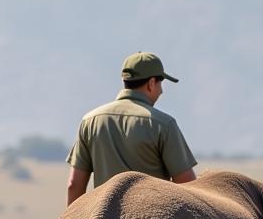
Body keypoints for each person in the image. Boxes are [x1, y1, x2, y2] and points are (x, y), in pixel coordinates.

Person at [65, 51, 197, 205]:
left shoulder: (90, 121)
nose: (162, 91)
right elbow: (187, 185)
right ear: (151, 83)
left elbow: (74, 185)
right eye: (161, 84)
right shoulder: (163, 124)